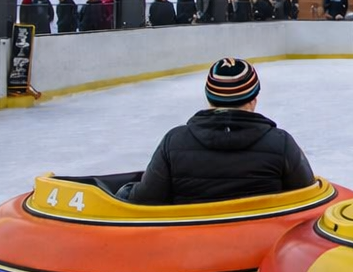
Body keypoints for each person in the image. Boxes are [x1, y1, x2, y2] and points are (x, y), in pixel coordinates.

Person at [120, 57, 315, 205]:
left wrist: (125, 190)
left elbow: (144, 201)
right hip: (259, 246)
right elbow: (308, 196)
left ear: (209, 99)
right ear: (253, 99)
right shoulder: (280, 143)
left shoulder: (174, 142)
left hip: (190, 249)